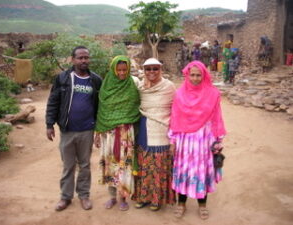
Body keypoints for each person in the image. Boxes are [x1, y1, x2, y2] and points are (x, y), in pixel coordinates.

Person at [45, 46, 102, 211]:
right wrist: (49, 124)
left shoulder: (95, 80)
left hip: (87, 130)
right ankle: (65, 197)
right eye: (80, 58)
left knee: (84, 165)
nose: (84, 60)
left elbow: (101, 105)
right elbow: (53, 101)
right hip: (67, 130)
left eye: (86, 57)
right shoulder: (63, 78)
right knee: (68, 165)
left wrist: (99, 128)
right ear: (73, 59)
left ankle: (84, 195)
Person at [169, 61, 226, 219]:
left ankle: (202, 205)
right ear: (187, 75)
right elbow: (175, 118)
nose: (195, 78)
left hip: (204, 140)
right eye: (192, 75)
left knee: (201, 171)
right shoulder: (180, 94)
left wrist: (218, 140)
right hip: (184, 141)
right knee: (184, 171)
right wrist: (172, 140)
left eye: (198, 75)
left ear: (204, 75)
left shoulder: (212, 94)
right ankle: (181, 204)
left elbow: (217, 117)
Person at [94, 55, 140, 211]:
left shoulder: (132, 85)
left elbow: (135, 108)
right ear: (113, 70)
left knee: (124, 166)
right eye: (119, 70)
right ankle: (112, 197)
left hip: (126, 134)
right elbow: (102, 111)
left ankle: (123, 198)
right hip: (108, 134)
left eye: (124, 70)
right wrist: (98, 132)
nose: (121, 73)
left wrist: (123, 120)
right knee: (109, 165)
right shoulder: (106, 87)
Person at [132, 58, 176, 211]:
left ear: (160, 69)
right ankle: (144, 197)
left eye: (155, 69)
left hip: (163, 130)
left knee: (159, 165)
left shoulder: (169, 87)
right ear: (144, 71)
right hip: (145, 128)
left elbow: (176, 110)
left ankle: (157, 199)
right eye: (148, 69)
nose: (151, 72)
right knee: (144, 163)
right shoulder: (141, 87)